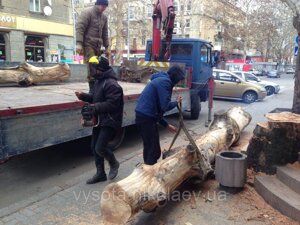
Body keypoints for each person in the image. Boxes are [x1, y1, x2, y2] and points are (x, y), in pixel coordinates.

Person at [75, 56, 124, 184]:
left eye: (93, 68)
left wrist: (94, 107)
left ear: (100, 69)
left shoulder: (112, 84)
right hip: (99, 120)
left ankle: (114, 163)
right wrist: (84, 97)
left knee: (100, 147)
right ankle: (100, 173)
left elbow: (113, 104)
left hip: (110, 120)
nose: (91, 70)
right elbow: (95, 98)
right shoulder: (98, 81)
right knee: (94, 147)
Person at [135, 65, 185, 165]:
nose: (178, 82)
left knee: (151, 148)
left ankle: (148, 167)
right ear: (175, 76)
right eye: (179, 79)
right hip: (146, 118)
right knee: (152, 150)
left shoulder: (162, 80)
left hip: (146, 116)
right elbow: (164, 106)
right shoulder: (165, 82)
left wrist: (166, 125)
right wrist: (176, 102)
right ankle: (149, 173)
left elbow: (157, 110)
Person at [76, 0, 110, 92]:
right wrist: (79, 43)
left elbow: (105, 33)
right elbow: (80, 28)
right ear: (98, 4)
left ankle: (97, 89)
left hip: (98, 47)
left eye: (105, 7)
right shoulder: (87, 13)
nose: (104, 8)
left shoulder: (104, 18)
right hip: (88, 45)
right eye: (103, 6)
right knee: (92, 65)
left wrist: (107, 47)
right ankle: (92, 90)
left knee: (99, 67)